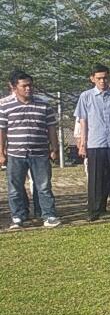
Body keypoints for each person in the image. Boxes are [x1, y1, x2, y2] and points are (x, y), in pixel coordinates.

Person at [1, 70, 60, 229]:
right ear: (15, 87)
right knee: (15, 188)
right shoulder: (5, 106)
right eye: (24, 86)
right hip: (15, 154)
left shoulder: (43, 105)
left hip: (40, 153)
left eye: (30, 85)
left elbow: (51, 128)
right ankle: (18, 216)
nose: (28, 88)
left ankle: (48, 215)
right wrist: (1, 152)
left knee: (43, 186)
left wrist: (54, 148)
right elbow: (2, 131)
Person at [75, 64, 110, 220]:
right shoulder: (86, 96)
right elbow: (83, 121)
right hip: (95, 143)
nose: (102, 81)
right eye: (99, 78)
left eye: (105, 78)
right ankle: (94, 211)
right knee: (96, 179)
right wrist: (83, 143)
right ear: (92, 79)